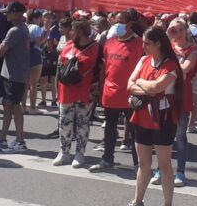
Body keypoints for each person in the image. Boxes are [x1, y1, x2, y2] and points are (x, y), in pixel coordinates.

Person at [120, 26, 182, 206]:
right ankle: (138, 203)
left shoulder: (171, 64)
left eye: (147, 43)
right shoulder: (144, 60)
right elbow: (129, 85)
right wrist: (146, 86)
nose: (143, 46)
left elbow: (157, 88)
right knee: (143, 163)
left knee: (164, 165)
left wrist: (142, 83)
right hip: (143, 116)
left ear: (158, 44)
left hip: (163, 118)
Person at [92, 11, 142, 172]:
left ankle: (138, 165)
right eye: (115, 21)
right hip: (110, 94)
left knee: (135, 132)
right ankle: (107, 159)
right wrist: (100, 90)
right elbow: (104, 69)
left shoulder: (139, 44)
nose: (117, 25)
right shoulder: (109, 42)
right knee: (109, 129)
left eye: (120, 22)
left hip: (130, 95)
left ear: (129, 24)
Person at [155, 20, 197, 187]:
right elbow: (157, 62)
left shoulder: (193, 49)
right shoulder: (169, 47)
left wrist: (171, 65)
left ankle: (180, 172)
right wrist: (167, 34)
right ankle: (160, 168)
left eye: (181, 29)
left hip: (182, 96)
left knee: (180, 135)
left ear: (186, 31)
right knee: (163, 135)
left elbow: (185, 69)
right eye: (175, 30)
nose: (178, 33)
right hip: (165, 95)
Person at [54, 18, 100, 167]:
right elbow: (59, 68)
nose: (70, 32)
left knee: (82, 123)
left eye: (72, 30)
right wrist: (56, 89)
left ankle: (80, 154)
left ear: (80, 31)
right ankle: (64, 152)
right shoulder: (68, 45)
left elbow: (98, 70)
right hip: (66, 90)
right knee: (64, 122)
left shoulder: (95, 47)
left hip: (85, 91)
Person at [0, 1, 30, 153]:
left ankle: (20, 141)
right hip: (12, 73)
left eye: (9, 12)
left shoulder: (15, 30)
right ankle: (2, 138)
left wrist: (0, 48)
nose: (6, 14)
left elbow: (0, 52)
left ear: (17, 13)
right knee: (8, 106)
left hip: (14, 74)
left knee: (14, 107)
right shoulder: (22, 29)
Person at [25, 10, 47, 114]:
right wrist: (46, 36)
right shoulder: (36, 28)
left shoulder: (26, 26)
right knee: (33, 84)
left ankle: (23, 106)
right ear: (34, 18)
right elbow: (38, 43)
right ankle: (33, 108)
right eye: (39, 18)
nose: (41, 20)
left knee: (25, 83)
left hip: (26, 56)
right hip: (35, 56)